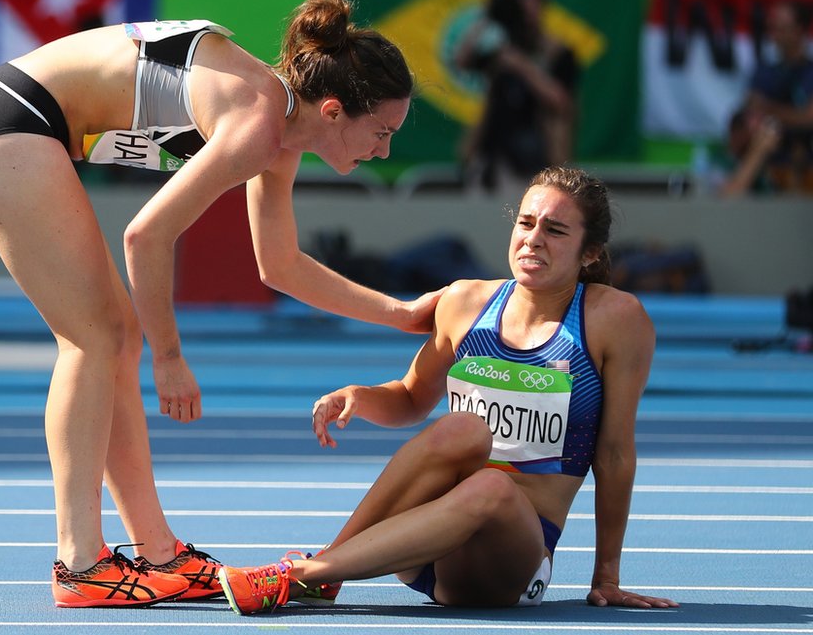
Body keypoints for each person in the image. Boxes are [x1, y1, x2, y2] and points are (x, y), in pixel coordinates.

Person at [0, 0, 443, 608]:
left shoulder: (280, 129)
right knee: (95, 339)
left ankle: (158, 554)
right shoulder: (258, 121)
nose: (385, 151)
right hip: (5, 120)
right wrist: (169, 357)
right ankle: (78, 564)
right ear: (333, 111)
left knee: (111, 337)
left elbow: (279, 265)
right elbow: (146, 235)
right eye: (383, 131)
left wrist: (402, 313)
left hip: (17, 122)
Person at [217, 166, 680, 614]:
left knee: (492, 487)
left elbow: (615, 453)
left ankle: (303, 574)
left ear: (590, 252)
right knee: (461, 429)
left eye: (556, 230)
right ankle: (324, 569)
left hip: (510, 560)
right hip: (424, 545)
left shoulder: (615, 320)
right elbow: (411, 398)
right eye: (526, 222)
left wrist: (607, 577)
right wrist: (360, 395)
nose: (534, 238)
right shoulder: (464, 301)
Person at [454, 0, 578, 190]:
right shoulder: (501, 50)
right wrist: (488, 17)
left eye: (529, 5)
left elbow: (560, 100)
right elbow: (462, 61)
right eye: (519, 5)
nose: (525, 13)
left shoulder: (557, 53)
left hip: (535, 155)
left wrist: (521, 66)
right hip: (491, 152)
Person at [743, 0, 813, 193]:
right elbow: (751, 114)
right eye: (772, 28)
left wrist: (768, 109)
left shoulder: (810, 71)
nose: (775, 36)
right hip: (768, 167)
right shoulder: (764, 70)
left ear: (799, 30)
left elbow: (809, 118)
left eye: (782, 29)